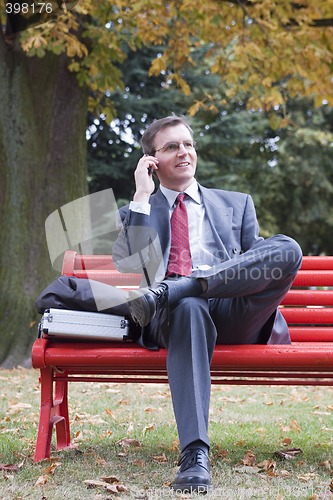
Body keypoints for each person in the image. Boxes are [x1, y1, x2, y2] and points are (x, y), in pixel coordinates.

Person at [111, 114, 303, 493]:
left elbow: (258, 265)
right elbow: (132, 267)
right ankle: (195, 453)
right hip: (177, 318)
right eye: (171, 147)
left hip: (236, 312)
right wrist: (140, 195)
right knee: (188, 306)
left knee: (287, 247)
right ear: (152, 161)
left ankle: (183, 287)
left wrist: (191, 282)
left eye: (187, 144)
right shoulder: (138, 210)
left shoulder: (236, 204)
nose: (183, 152)